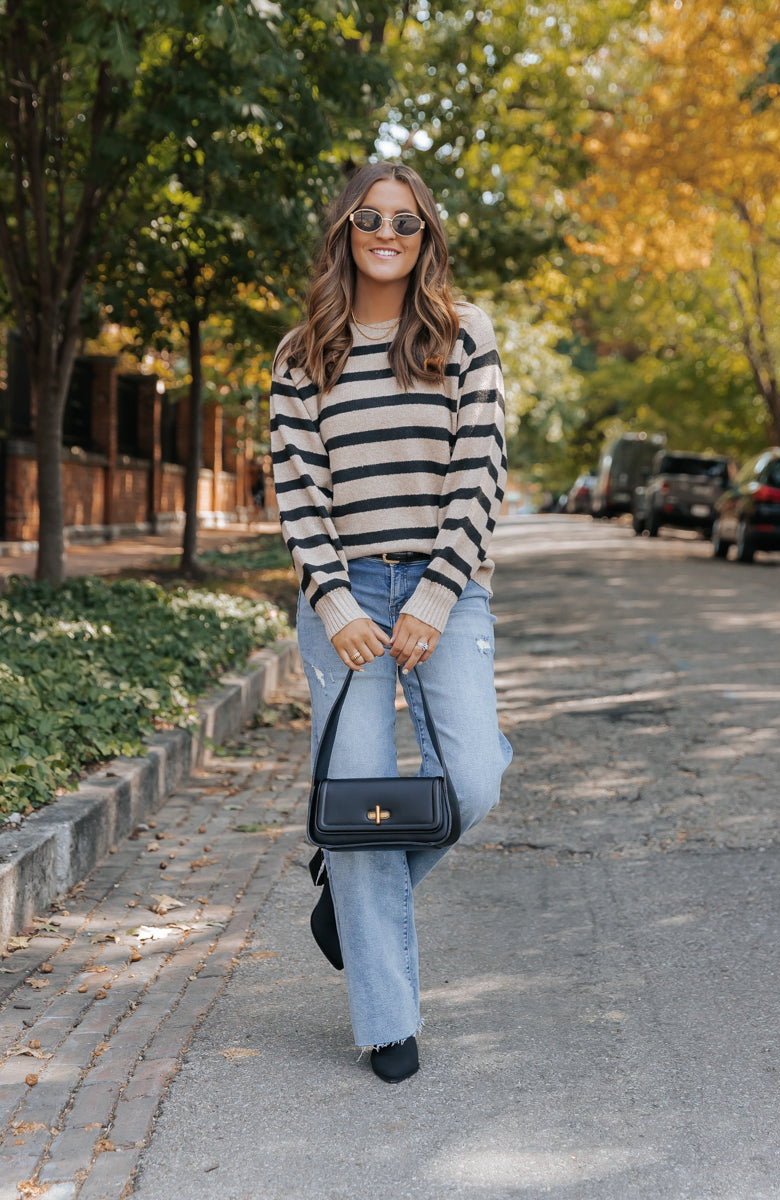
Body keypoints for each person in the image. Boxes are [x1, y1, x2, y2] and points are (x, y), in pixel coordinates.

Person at [269, 162, 512, 1084]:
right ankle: (386, 1021)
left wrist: (436, 596)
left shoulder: (464, 336)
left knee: (476, 778)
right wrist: (334, 601)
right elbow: (300, 493)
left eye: (404, 222)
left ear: (425, 238)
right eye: (369, 218)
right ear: (344, 231)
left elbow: (479, 472)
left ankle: (347, 906)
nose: (386, 232)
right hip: (346, 597)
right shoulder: (303, 355)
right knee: (364, 797)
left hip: (447, 589)